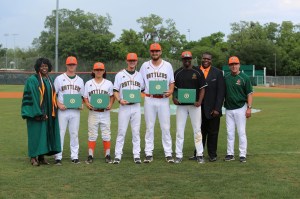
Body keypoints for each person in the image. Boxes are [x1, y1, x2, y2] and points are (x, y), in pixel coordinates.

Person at [21, 57, 61, 166]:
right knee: (35, 134)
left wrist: (51, 111)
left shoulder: (49, 79)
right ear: (38, 67)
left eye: (46, 66)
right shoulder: (32, 80)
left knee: (45, 134)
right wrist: (39, 113)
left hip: (48, 113)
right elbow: (32, 97)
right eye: (42, 66)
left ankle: (42, 157)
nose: (44, 68)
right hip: (36, 113)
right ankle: (33, 157)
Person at [139, 43, 175, 163]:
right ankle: (148, 153)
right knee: (149, 127)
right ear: (150, 52)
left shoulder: (167, 65)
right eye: (153, 51)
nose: (155, 53)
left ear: (161, 52)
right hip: (150, 98)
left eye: (157, 51)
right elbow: (140, 82)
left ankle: (168, 153)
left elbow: (171, 82)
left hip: (164, 99)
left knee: (166, 127)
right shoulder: (144, 65)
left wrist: (170, 91)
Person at [189, 52, 225, 162]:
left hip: (213, 109)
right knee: (198, 131)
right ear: (201, 59)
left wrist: (217, 109)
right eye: (204, 58)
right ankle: (197, 154)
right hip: (197, 108)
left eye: (208, 59)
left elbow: (221, 92)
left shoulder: (217, 72)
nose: (206, 60)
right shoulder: (194, 70)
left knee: (213, 133)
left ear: (211, 60)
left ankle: (212, 154)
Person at [173, 51, 207, 164]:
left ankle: (200, 154)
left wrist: (200, 101)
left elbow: (202, 88)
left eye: (188, 58)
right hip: (181, 106)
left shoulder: (198, 71)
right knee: (179, 131)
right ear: (182, 59)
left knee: (197, 130)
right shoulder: (177, 73)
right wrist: (174, 98)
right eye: (184, 58)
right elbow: (174, 88)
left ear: (191, 59)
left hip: (194, 105)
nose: (186, 60)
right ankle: (178, 155)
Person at [113, 53, 145, 164]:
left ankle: (136, 155)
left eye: (134, 60)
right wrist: (119, 100)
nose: (132, 62)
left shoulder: (140, 75)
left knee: (136, 132)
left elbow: (142, 90)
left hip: (136, 107)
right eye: (130, 60)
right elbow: (115, 90)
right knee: (121, 131)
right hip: (124, 107)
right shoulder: (120, 74)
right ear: (127, 61)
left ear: (136, 62)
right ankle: (118, 155)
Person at [54, 56, 84, 165]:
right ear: (66, 65)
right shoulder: (59, 78)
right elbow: (54, 94)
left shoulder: (80, 80)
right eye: (70, 64)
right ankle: (58, 156)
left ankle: (74, 156)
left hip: (75, 111)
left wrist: (81, 104)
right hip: (63, 110)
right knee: (61, 132)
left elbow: (82, 96)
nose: (71, 66)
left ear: (76, 65)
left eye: (73, 64)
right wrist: (58, 104)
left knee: (74, 133)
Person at [84, 62, 114, 164]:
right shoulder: (88, 83)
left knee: (106, 133)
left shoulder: (108, 83)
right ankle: (90, 155)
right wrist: (87, 104)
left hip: (105, 112)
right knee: (92, 134)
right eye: (97, 70)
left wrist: (110, 104)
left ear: (104, 71)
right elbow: (85, 97)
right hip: (93, 112)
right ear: (93, 71)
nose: (99, 71)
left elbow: (111, 96)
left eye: (101, 70)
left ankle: (108, 155)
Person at [224, 56, 253, 163]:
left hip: (241, 107)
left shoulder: (245, 77)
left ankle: (242, 154)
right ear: (229, 66)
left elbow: (249, 94)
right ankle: (230, 153)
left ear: (239, 65)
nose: (234, 66)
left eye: (235, 64)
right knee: (230, 132)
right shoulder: (226, 77)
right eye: (231, 64)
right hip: (228, 108)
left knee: (241, 132)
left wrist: (249, 108)